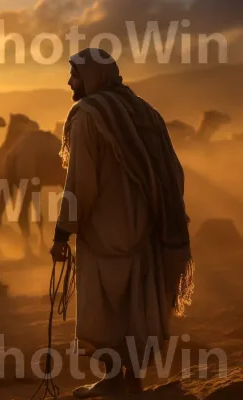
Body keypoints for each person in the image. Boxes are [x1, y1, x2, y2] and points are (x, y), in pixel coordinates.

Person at [50, 48, 194, 398]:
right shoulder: (146, 112)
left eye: (76, 75)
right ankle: (130, 378)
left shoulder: (87, 116)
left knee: (106, 303)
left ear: (93, 78)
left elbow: (80, 183)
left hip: (105, 231)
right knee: (137, 300)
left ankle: (114, 380)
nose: (70, 82)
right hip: (148, 229)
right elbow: (173, 172)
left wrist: (62, 232)